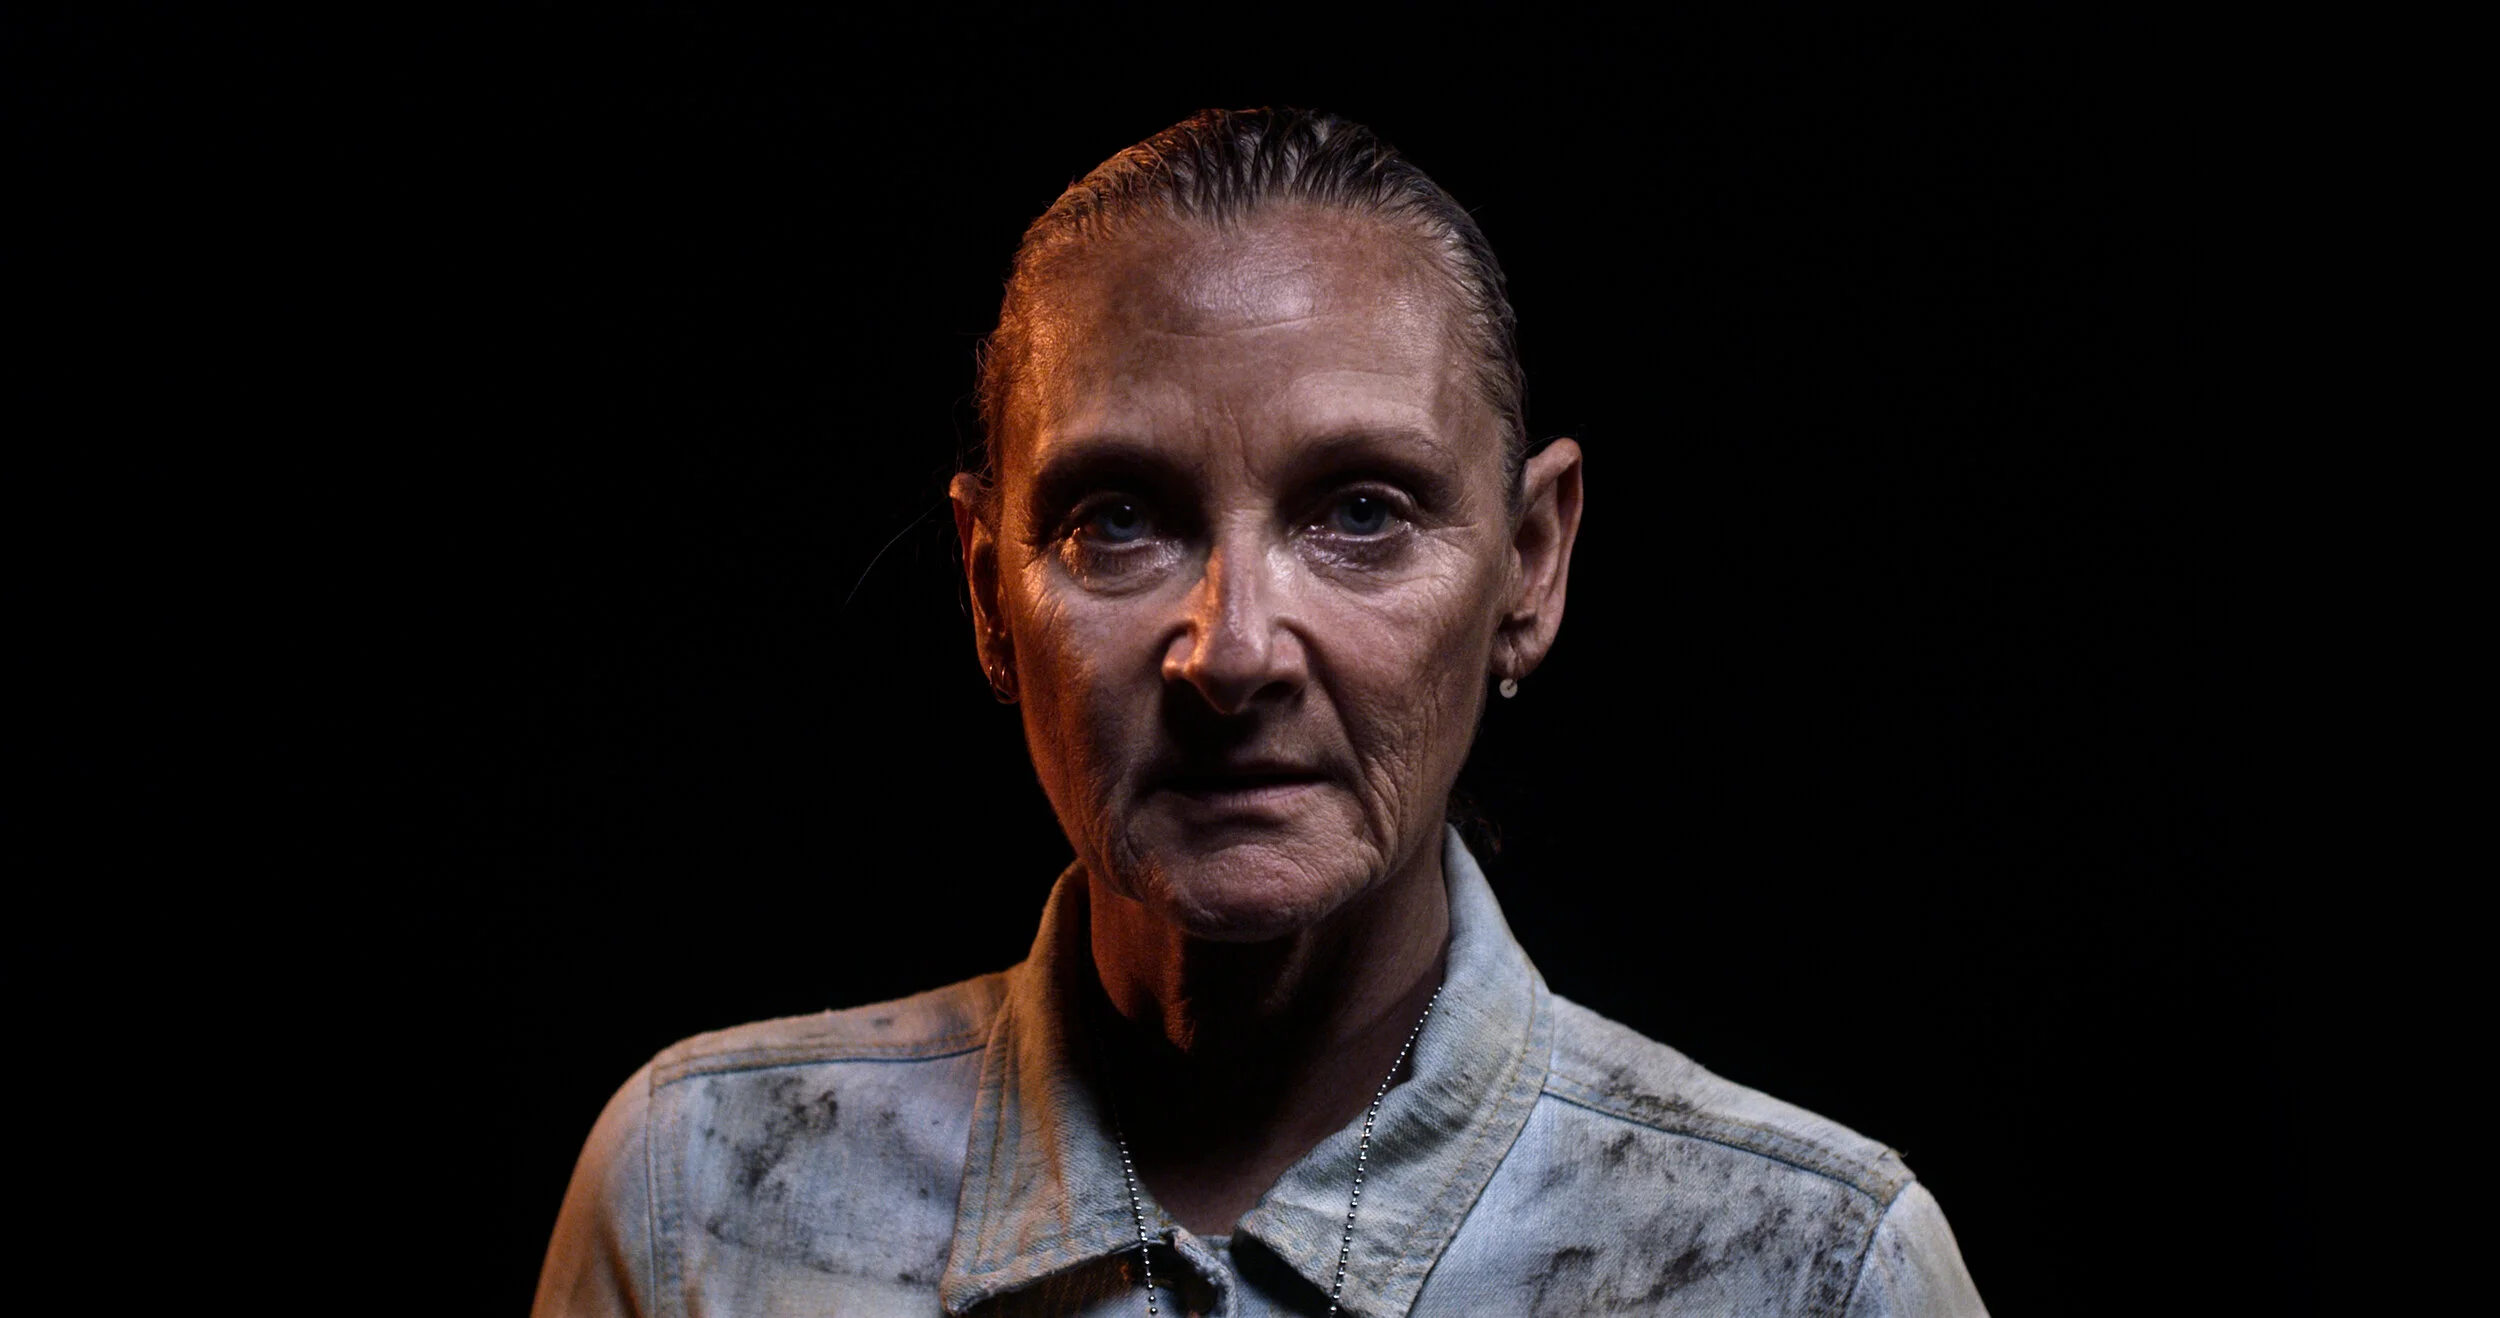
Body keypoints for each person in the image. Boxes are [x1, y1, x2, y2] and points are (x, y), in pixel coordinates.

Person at [532, 107, 1987, 1317]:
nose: (1231, 655)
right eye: (1118, 520)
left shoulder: (1806, 1269)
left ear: (1531, 565)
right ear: (987, 595)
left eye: (1362, 512)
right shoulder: (699, 1201)